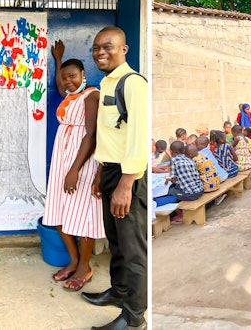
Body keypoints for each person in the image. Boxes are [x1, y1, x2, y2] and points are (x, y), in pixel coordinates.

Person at [81, 26, 147, 330]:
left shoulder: (133, 84)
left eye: (107, 47)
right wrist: (100, 171)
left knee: (133, 250)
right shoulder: (107, 83)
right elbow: (112, 133)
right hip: (110, 172)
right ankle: (119, 293)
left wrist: (126, 182)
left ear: (124, 49)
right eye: (96, 48)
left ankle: (134, 318)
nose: (100, 53)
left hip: (127, 176)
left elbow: (138, 136)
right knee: (117, 243)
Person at [44, 41, 104, 293]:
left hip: (82, 162)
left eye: (73, 76)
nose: (68, 81)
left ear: (83, 76)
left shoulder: (92, 95)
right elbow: (60, 84)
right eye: (65, 77)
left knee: (83, 216)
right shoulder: (70, 95)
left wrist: (75, 170)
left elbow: (91, 135)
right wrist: (59, 59)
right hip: (62, 160)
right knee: (59, 211)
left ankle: (85, 266)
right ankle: (74, 260)